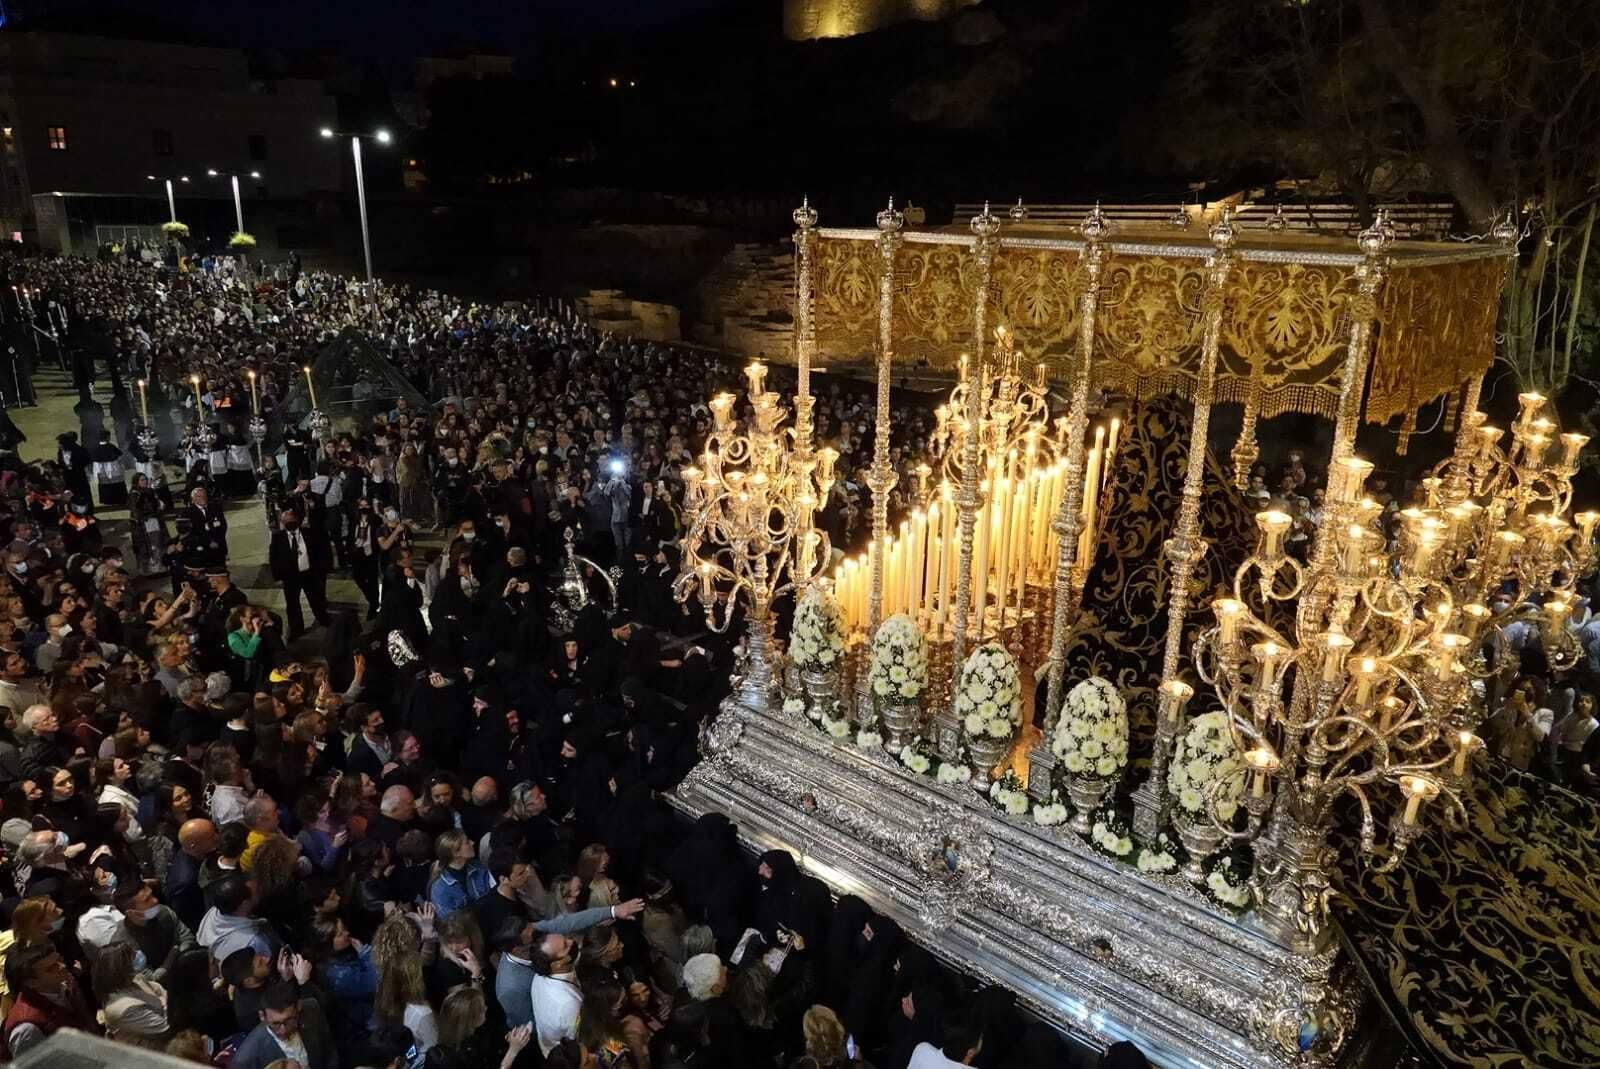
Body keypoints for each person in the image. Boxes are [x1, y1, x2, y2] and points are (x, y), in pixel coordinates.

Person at [230, 981, 340, 1069]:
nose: (283, 1030)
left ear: (299, 1007)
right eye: (275, 1024)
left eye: (289, 1020)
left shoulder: (311, 1009)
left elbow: (329, 1052)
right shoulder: (246, 1059)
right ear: (262, 1016)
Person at [269, 506, 332, 640]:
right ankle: (296, 628)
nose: (289, 523)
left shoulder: (309, 533)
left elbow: (319, 552)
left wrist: (321, 570)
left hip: (308, 573)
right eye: (286, 521)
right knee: (292, 604)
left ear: (297, 520)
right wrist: (278, 576)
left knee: (316, 599)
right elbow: (273, 558)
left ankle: (324, 619)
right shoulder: (278, 538)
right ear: (282, 522)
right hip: (290, 577)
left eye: (291, 520)